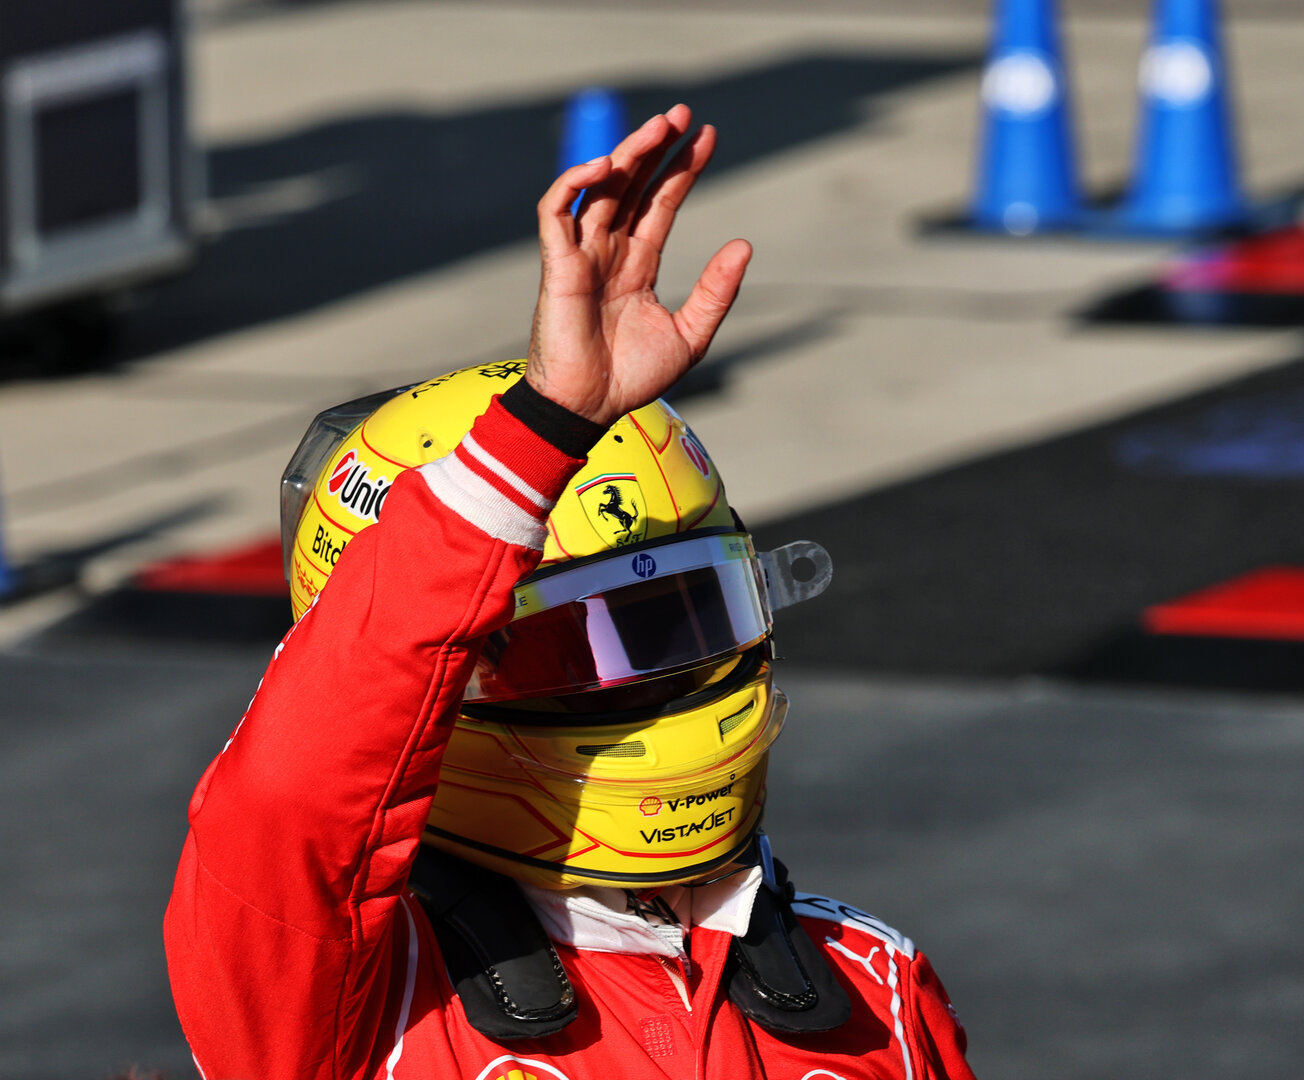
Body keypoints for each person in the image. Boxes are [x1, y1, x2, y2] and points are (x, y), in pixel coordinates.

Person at [164, 104, 976, 1080]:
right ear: (438, 675)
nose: (661, 677)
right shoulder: (342, 998)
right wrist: (543, 430)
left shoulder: (871, 987)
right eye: (575, 648)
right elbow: (298, 791)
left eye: (683, 617)